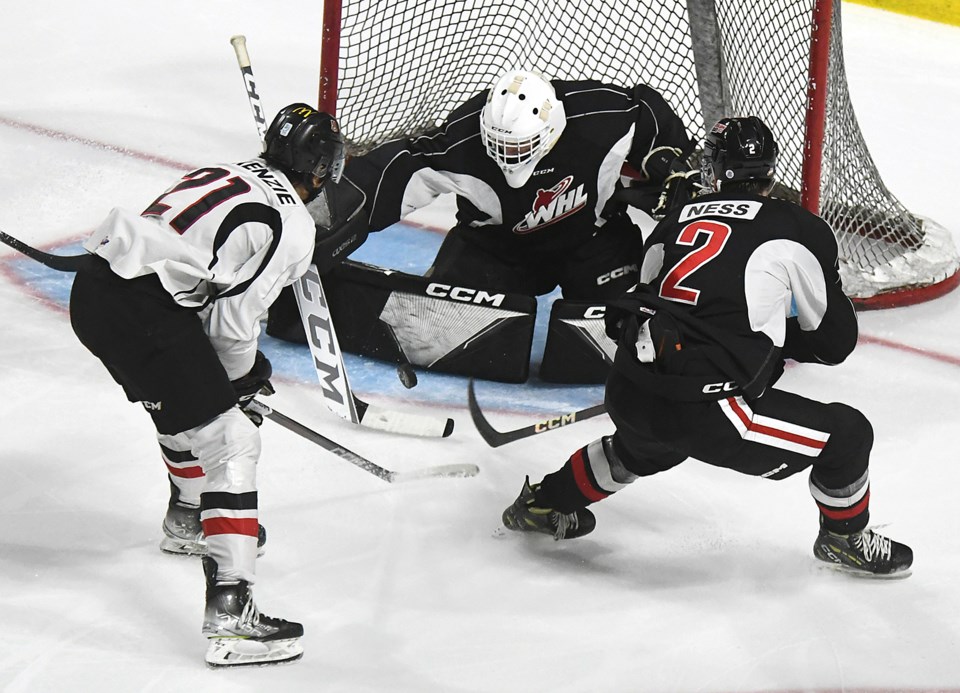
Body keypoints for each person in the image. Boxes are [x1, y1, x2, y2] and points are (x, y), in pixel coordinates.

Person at [500, 116, 914, 579]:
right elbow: (835, 343)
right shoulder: (800, 228)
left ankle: (543, 503)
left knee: (645, 446)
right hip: (710, 413)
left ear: (715, 170)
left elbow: (654, 300)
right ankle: (845, 538)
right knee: (848, 435)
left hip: (630, 387)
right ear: (770, 172)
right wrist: (775, 339)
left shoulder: (675, 218)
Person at [69, 103, 346, 665]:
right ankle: (232, 616)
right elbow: (232, 324)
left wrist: (228, 382)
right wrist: (241, 382)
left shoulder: (234, 169)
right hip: (143, 311)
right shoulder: (292, 225)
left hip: (97, 291)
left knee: (183, 401)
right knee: (232, 439)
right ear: (320, 171)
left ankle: (190, 517)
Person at [342, 68, 694, 301]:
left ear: (551, 129)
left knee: (625, 322)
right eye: (501, 144)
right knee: (436, 318)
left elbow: (649, 112)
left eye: (520, 145)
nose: (510, 155)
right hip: (497, 248)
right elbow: (399, 168)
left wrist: (676, 167)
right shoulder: (463, 139)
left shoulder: (602, 118)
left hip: (594, 242)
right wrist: (333, 210)